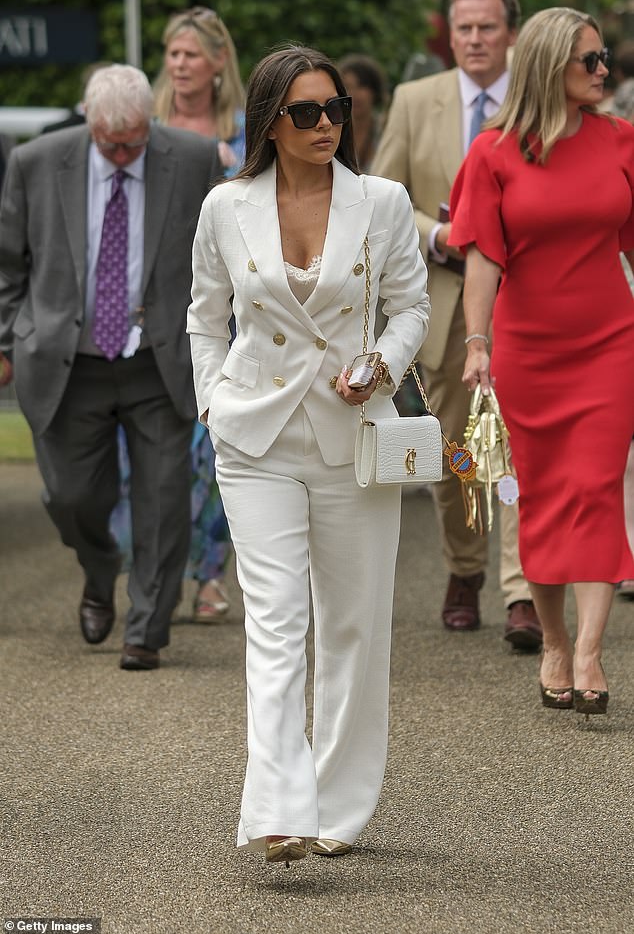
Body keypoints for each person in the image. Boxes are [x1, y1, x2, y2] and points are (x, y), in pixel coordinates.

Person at [187, 45, 429, 864]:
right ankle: (280, 808)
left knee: (355, 628)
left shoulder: (384, 201)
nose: (326, 123)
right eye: (305, 112)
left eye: (336, 109)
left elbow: (410, 307)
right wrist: (214, 400)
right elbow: (201, 315)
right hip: (254, 437)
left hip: (352, 439)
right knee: (278, 621)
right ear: (269, 123)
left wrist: (384, 364)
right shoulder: (226, 205)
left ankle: (341, 806)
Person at [0, 64, 222, 670]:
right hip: (69, 364)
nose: (123, 154)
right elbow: (8, 264)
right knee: (71, 497)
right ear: (88, 121)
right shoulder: (37, 162)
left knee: (163, 497)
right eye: (109, 143)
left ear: (151, 121)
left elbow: (222, 256)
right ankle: (99, 569)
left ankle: (146, 630)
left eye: (134, 141)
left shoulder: (196, 158)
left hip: (160, 360)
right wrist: (8, 340)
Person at [450, 7, 634, 717]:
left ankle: (589, 650)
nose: (603, 72)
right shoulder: (494, 154)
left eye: (604, 58)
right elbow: (482, 259)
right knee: (544, 499)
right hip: (528, 352)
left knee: (596, 487)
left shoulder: (621, 141)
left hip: (611, 345)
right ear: (549, 66)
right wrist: (475, 343)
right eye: (589, 60)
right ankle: (553, 639)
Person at [372, 0, 541, 651]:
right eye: (464, 28)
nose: (474, 39)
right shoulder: (416, 102)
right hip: (442, 304)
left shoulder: (539, 101)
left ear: (511, 34)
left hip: (525, 304)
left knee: (520, 452)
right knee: (457, 455)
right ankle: (465, 568)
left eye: (487, 27)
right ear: (451, 34)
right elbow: (385, 198)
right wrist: (441, 236)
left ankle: (521, 588)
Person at [114, 5, 246, 623]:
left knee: (210, 447)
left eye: (192, 53)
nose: (180, 63)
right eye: (172, 53)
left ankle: (209, 574)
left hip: (225, 308)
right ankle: (149, 564)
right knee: (142, 449)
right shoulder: (141, 125)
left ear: (219, 61)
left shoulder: (247, 130)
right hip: (146, 306)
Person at [338, 53, 389, 172]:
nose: (354, 94)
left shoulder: (387, 130)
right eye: (348, 87)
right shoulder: (332, 130)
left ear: (374, 91)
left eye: (361, 86)